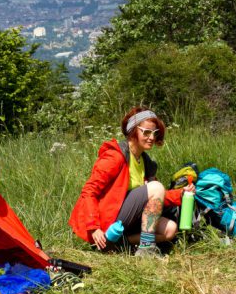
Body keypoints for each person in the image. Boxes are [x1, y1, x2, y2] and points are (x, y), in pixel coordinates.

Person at [69, 107, 189, 257]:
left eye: (155, 132)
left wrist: (181, 194)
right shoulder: (115, 156)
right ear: (133, 131)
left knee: (170, 229)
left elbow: (155, 201)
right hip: (107, 223)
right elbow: (89, 191)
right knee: (156, 187)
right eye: (146, 132)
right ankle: (146, 249)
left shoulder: (146, 162)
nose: (152, 137)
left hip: (126, 220)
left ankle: (119, 244)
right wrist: (94, 227)